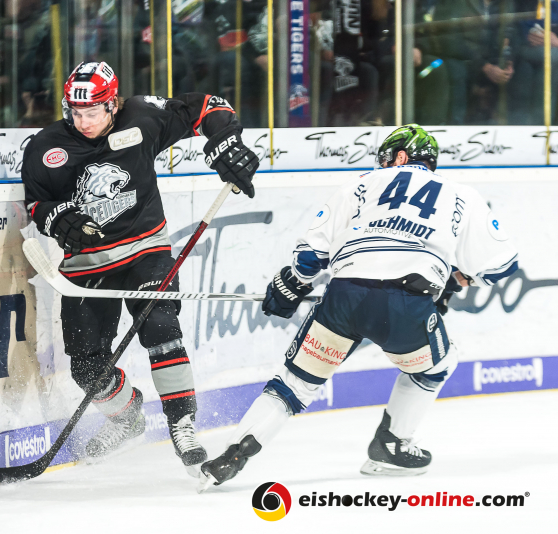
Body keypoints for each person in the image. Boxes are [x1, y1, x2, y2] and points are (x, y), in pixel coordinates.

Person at [199, 124, 519, 490]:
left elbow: (310, 256)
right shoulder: (462, 195)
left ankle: (233, 455)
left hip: (343, 297)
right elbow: (502, 265)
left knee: (293, 386)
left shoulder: (361, 183)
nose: (382, 164)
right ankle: (392, 445)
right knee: (438, 366)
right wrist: (454, 280)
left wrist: (293, 283)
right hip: (405, 304)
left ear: (401, 156)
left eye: (387, 158)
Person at [21, 61, 258, 475]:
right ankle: (127, 417)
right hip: (86, 263)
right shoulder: (46, 147)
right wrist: (55, 217)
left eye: (92, 112)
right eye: (75, 112)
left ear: (112, 104)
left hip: (146, 249)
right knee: (86, 366)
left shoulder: (142, 117)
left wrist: (226, 140)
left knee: (160, 327)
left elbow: (207, 106)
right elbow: (36, 203)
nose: (83, 122)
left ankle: (182, 424)